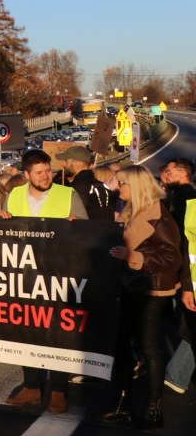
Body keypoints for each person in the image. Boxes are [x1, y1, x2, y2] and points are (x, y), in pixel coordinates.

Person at [0, 148, 88, 415]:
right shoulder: (14, 195)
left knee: (57, 335)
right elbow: (2, 236)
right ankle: (32, 386)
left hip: (58, 277)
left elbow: (87, 232)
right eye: (39, 172)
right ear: (26, 175)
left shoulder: (67, 194)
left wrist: (77, 226)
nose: (46, 176)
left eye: (48, 170)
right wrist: (2, 221)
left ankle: (59, 391)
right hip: (24, 278)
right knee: (28, 333)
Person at [101, 165, 183, 429]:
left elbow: (172, 256)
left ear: (134, 186)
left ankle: (153, 408)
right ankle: (123, 402)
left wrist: (134, 258)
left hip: (152, 289)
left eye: (122, 183)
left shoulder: (158, 215)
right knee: (122, 346)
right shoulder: (131, 210)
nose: (118, 186)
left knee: (149, 348)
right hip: (129, 286)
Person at [162, 158, 196, 395]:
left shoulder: (187, 199)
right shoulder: (182, 196)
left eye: (169, 170)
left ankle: (177, 373)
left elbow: (184, 243)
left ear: (183, 173)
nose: (165, 173)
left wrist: (186, 285)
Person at [57, 145, 115, 221]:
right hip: (105, 231)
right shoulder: (102, 186)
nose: (64, 165)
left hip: (86, 231)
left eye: (66, 161)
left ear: (77, 164)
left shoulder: (77, 188)